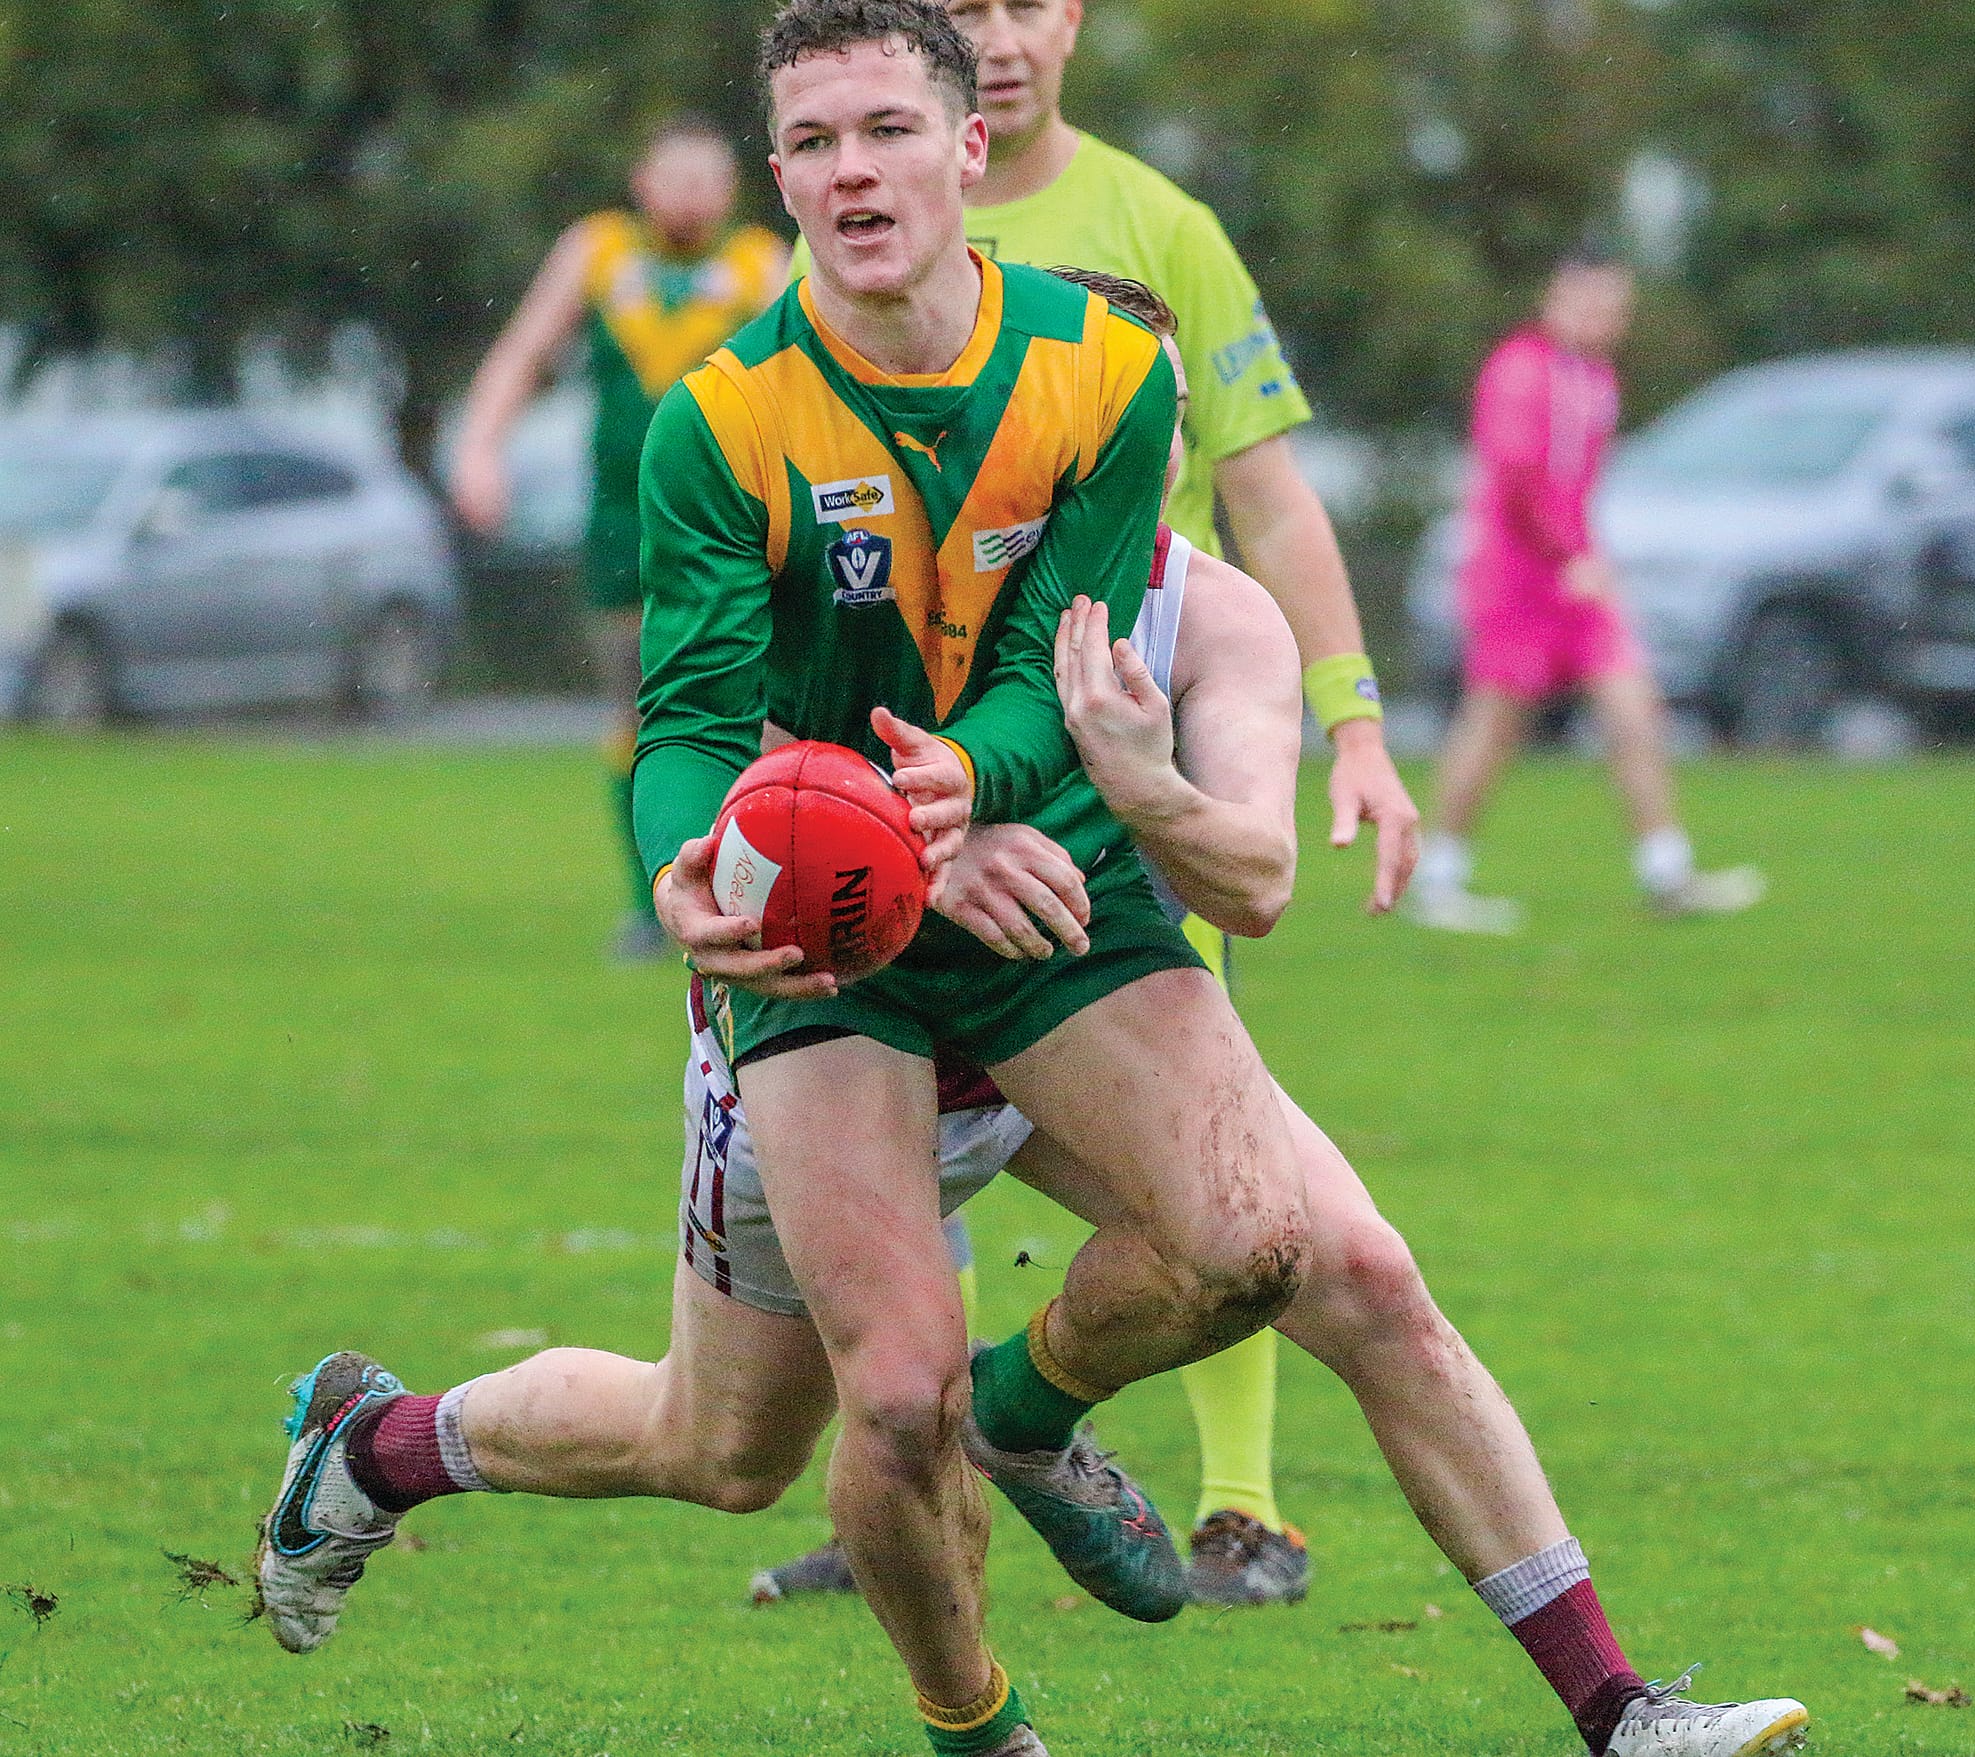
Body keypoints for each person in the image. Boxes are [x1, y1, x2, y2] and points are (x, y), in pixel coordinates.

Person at [252, 268, 1812, 1757]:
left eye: (1155, 432)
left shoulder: (1214, 621)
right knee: (729, 1449)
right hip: (840, 1029)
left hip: (1064, 1020)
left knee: (1360, 1275)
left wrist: (1142, 788)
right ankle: (383, 1446)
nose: (1127, 469)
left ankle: (1617, 1706)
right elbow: (760, 767)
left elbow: (1260, 877)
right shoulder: (913, 580)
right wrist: (924, 842)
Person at [261, 11, 1316, 1756]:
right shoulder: (724, 421)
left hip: (1029, 901)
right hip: (816, 938)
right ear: (779, 178)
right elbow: (684, 715)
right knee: (746, 1444)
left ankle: (1038, 1412)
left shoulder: (1110, 379)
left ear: (966, 147)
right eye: (813, 142)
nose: (851, 171)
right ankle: (381, 1447)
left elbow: (1070, 663)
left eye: (885, 130)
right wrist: (695, 858)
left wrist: (977, 773)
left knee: (1265, 1241)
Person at [773, 0, 1420, 1598]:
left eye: (1019, 1)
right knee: (904, 1160)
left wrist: (1351, 718)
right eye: (962, 4)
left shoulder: (1161, 223)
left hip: (1143, 727)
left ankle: (1241, 1499)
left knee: (1221, 1160)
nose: (991, 31)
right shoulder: (843, 222)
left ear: (1066, 23)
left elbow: (1266, 484)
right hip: (931, 773)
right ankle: (924, 1473)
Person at [450, 119, 790, 961]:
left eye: (709, 176)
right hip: (621, 526)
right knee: (636, 707)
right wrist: (479, 449)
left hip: (736, 523)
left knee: (757, 707)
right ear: (641, 181)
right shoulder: (598, 251)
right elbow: (522, 354)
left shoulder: (760, 261)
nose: (691, 193)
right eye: (675, 175)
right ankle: (653, 895)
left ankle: (756, 882)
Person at [1408, 245, 1765, 934]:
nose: (1604, 318)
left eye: (1615, 307)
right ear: (1556, 299)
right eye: (1591, 302)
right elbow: (1515, 476)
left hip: (1577, 579)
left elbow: (1578, 485)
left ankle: (1666, 870)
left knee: (1635, 709)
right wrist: (1565, 554)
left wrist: (1587, 559)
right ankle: (1438, 874)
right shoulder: (1519, 370)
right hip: (1519, 581)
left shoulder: (1595, 377)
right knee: (1494, 725)